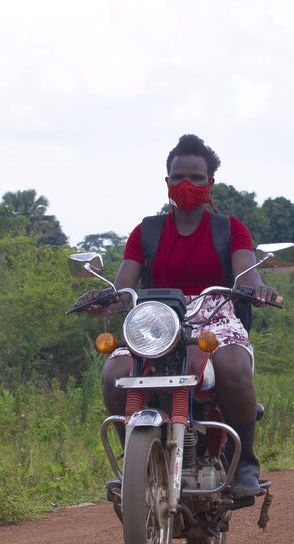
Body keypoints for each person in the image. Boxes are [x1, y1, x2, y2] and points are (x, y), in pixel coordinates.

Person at [78, 134, 279, 501]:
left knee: (233, 367)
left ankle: (244, 463)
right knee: (114, 374)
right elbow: (124, 289)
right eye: (178, 177)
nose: (187, 185)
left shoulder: (230, 229)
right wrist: (102, 300)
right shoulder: (146, 232)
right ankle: (134, 462)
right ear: (167, 181)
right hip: (155, 321)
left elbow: (247, 274)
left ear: (210, 182)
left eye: (196, 178)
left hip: (214, 313)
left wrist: (259, 289)